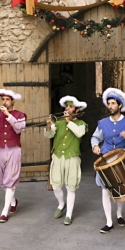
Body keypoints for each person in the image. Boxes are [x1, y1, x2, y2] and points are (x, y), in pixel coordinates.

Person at [91, 88, 125, 233]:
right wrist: (95, 145)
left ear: (120, 105)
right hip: (105, 160)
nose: (110, 106)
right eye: (109, 103)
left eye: (113, 103)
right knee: (105, 191)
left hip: (121, 160)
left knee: (121, 187)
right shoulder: (102, 122)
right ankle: (109, 221)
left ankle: (119, 213)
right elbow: (95, 137)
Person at [0, 89, 26, 223]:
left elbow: (20, 128)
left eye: (7, 99)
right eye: (3, 99)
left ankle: (4, 212)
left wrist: (8, 115)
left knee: (10, 180)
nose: (4, 102)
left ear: (13, 101)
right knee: (1, 180)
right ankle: (13, 201)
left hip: (13, 149)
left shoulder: (20, 114)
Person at [44, 96, 88, 225]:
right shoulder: (59, 122)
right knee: (56, 185)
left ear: (77, 110)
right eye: (66, 106)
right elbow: (49, 135)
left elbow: (79, 133)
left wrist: (69, 121)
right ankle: (61, 204)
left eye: (70, 106)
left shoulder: (81, 123)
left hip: (72, 157)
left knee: (71, 187)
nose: (67, 108)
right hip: (57, 156)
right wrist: (48, 126)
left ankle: (68, 214)